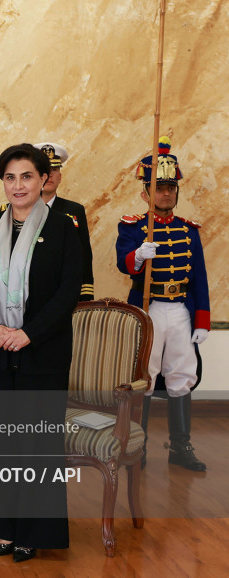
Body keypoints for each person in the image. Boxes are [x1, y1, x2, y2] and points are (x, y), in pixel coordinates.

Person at [0, 143, 82, 563]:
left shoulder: (65, 228)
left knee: (36, 445)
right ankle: (4, 530)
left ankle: (32, 532)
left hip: (41, 353)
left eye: (26, 176)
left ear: (43, 180)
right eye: (10, 177)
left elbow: (69, 291)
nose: (18, 185)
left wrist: (28, 333)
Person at [116, 137, 209, 471]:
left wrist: (202, 320)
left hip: (180, 309)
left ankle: (180, 447)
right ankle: (135, 449)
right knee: (144, 377)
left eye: (170, 187)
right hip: (149, 309)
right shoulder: (134, 226)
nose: (166, 193)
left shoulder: (189, 230)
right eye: (159, 187)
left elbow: (199, 278)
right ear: (146, 193)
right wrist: (138, 256)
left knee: (182, 375)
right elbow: (121, 262)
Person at [34, 142, 94, 300]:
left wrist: (85, 296)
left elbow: (84, 257)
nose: (49, 175)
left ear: (60, 176)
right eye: (43, 170)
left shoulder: (75, 211)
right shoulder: (14, 210)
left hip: (64, 296)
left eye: (54, 169)